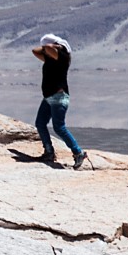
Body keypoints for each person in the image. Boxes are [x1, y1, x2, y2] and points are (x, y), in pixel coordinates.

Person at [32, 33, 87, 169]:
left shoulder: (61, 56)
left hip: (58, 96)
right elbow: (35, 51)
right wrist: (46, 47)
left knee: (59, 127)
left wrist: (56, 45)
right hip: (48, 97)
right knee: (40, 123)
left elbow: (49, 48)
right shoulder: (50, 58)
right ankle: (49, 151)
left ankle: (78, 152)